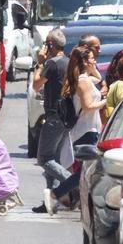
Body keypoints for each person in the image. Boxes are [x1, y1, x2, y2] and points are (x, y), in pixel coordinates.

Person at [44, 45, 105, 215]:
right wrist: (105, 102)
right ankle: (56, 194)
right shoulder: (83, 81)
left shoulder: (83, 78)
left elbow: (98, 79)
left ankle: (71, 198)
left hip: (87, 129)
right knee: (88, 171)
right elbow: (88, 106)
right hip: (86, 130)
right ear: (85, 61)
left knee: (87, 170)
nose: (95, 61)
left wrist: (93, 69)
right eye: (92, 59)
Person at [30, 29, 73, 214]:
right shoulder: (68, 62)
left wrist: (40, 63)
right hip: (65, 116)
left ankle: (76, 183)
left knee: (44, 159)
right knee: (53, 160)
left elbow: (36, 84)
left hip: (55, 116)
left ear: (50, 45)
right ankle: (51, 199)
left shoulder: (52, 63)